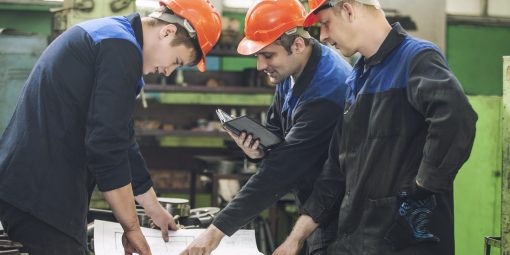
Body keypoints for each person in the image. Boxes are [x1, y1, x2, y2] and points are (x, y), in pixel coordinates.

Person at [0, 0, 221, 254]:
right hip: (39, 193)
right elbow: (106, 146)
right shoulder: (120, 48)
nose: (168, 72)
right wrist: (131, 227)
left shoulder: (114, 37)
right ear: (167, 32)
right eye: (177, 61)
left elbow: (122, 139)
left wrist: (154, 209)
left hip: (36, 188)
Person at [272, 0, 478, 254]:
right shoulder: (357, 79)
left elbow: (456, 119)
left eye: (325, 24)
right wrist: (295, 239)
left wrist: (419, 192)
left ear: (348, 9)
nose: (323, 37)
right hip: (359, 242)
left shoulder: (416, 58)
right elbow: (335, 173)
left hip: (406, 243)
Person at [180, 0, 352, 255]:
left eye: (267, 55)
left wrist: (215, 232)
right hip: (309, 197)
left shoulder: (326, 92)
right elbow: (276, 131)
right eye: (258, 55)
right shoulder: (291, 70)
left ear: (297, 44)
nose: (261, 66)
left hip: (333, 211)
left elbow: (280, 171)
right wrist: (259, 151)